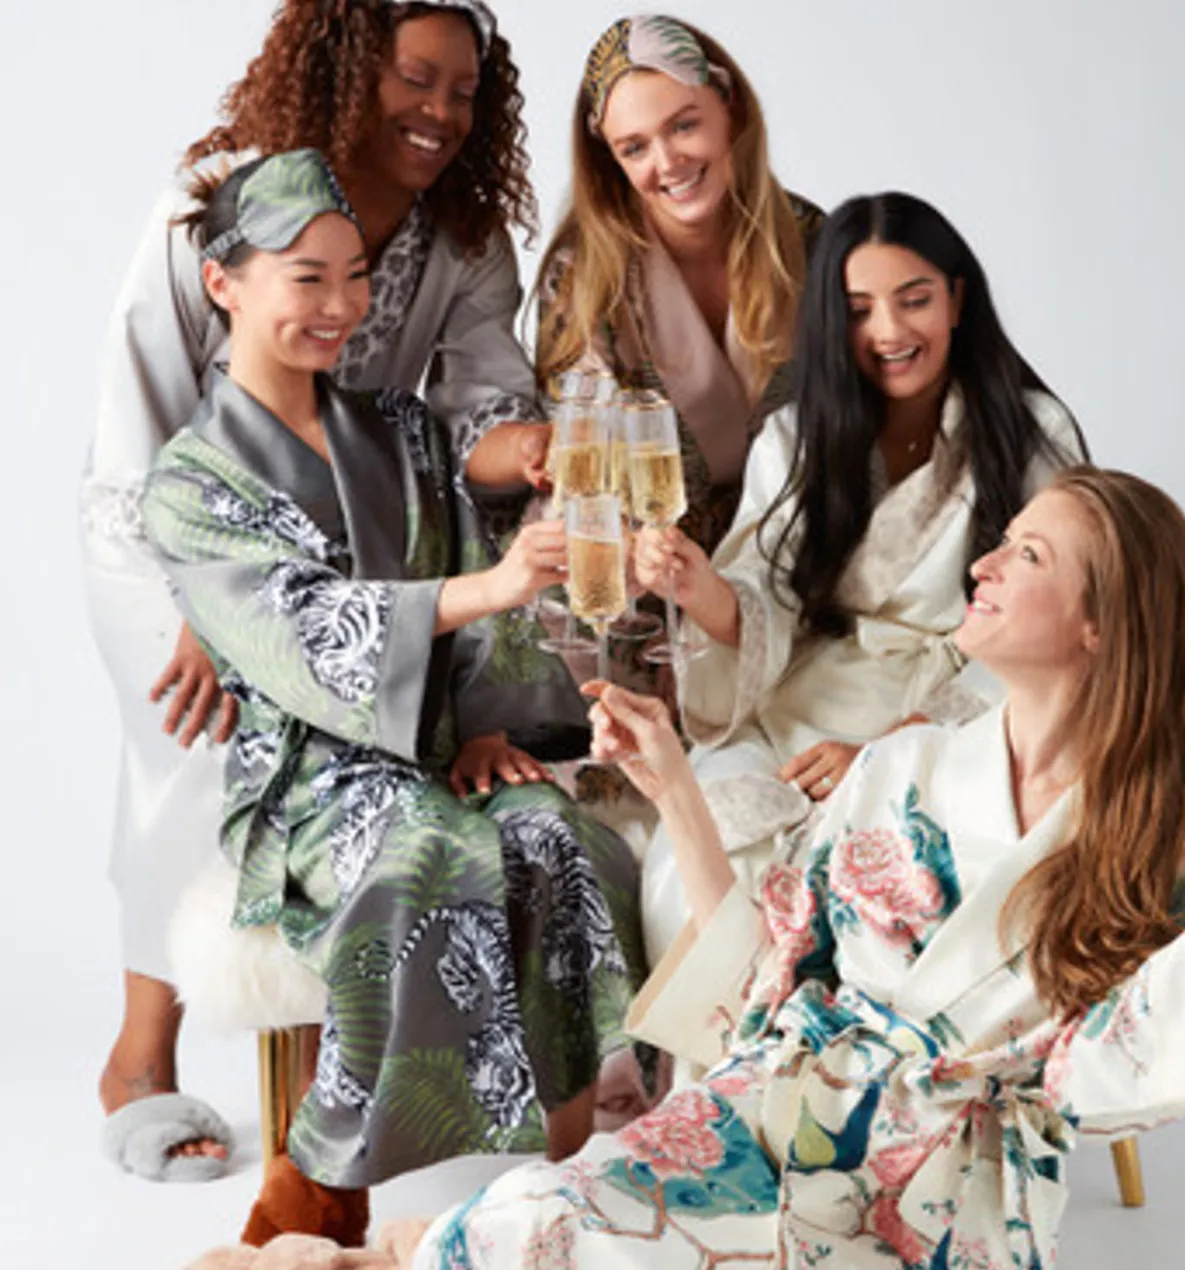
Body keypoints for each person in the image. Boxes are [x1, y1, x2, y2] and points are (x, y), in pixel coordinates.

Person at [405, 465, 1185, 1269]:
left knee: (555, 1239)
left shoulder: (1174, 831)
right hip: (770, 1115)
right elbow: (765, 982)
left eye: (1028, 555)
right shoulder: (905, 766)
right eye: (1000, 542)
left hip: (938, 1194)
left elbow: (1106, 1080)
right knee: (533, 1214)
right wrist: (671, 786)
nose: (984, 566)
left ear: (1102, 622)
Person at [82, 0, 556, 1178]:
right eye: (415, 78)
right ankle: (141, 1058)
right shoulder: (217, 199)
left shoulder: (462, 235)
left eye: (465, 91)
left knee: (415, 773)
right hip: (195, 537)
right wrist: (206, 604)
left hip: (378, 536)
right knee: (200, 741)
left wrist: (536, 449)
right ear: (348, 67)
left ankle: (403, 1081)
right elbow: (138, 418)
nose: (441, 112)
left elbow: (479, 411)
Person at [140, 150, 644, 1246]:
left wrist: (488, 726)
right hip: (308, 782)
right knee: (428, 850)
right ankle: (320, 1175)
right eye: (306, 278)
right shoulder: (188, 481)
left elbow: (467, 568)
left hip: (436, 741)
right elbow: (302, 632)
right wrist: (494, 587)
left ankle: (566, 1173)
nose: (340, 305)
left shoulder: (402, 429)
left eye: (356, 276)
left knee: (559, 837)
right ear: (225, 283)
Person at [635, 192, 1087, 965]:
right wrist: (698, 588)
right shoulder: (796, 437)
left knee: (875, 883)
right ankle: (722, 1045)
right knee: (696, 855)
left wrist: (893, 750)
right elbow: (764, 594)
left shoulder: (1031, 432)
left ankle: (833, 1038)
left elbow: (1060, 623)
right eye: (858, 310)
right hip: (796, 706)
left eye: (914, 300)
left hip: (961, 718)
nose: (889, 332)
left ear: (957, 300)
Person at [535, 13, 822, 586]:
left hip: (791, 561)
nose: (667, 163)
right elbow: (583, 471)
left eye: (684, 126)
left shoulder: (813, 241)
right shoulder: (584, 277)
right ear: (611, 160)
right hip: (635, 572)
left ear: (729, 106)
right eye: (634, 147)